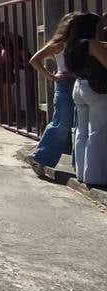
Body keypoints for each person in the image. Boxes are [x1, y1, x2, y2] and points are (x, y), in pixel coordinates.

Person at [28, 15, 80, 171]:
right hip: (64, 85)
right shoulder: (58, 44)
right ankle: (40, 157)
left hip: (79, 83)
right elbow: (34, 60)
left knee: (78, 124)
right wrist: (51, 77)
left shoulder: (83, 42)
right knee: (62, 123)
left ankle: (79, 164)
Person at [64, 13, 107, 186]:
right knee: (97, 132)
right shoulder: (91, 43)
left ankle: (81, 173)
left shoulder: (71, 45)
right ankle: (95, 176)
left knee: (81, 132)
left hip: (79, 86)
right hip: (96, 89)